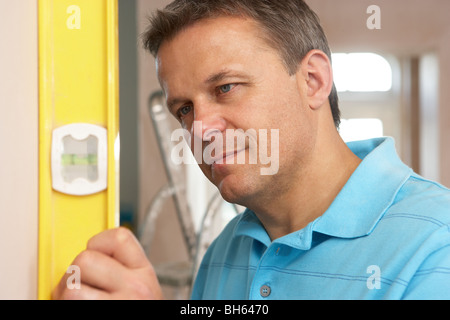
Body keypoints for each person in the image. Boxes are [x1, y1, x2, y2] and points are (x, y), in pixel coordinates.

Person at [54, 0, 450, 300]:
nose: (200, 130)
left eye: (225, 88)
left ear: (312, 80)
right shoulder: (226, 251)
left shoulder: (435, 244)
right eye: (184, 109)